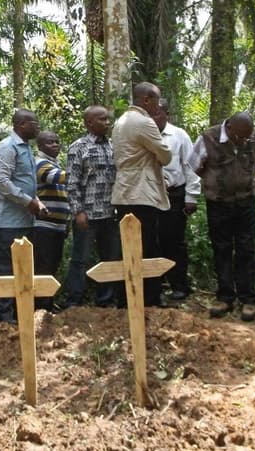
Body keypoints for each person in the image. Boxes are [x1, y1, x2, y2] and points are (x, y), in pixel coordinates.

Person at [190, 112, 255, 321]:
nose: (244, 141)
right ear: (230, 127)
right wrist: (215, 182)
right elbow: (195, 165)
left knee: (246, 248)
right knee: (222, 248)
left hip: (245, 202)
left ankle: (248, 299)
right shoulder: (208, 137)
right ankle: (225, 297)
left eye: (247, 137)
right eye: (240, 136)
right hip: (218, 203)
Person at [111, 82, 172, 307]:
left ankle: (125, 297)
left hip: (124, 191)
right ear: (146, 100)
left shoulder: (120, 121)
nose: (158, 105)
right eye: (156, 100)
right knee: (147, 246)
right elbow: (165, 156)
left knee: (126, 245)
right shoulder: (144, 122)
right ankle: (150, 298)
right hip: (142, 192)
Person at [0, 109, 45, 324]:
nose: (38, 127)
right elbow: (2, 183)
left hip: (23, 219)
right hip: (6, 220)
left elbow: (25, 182)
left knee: (23, 266)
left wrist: (36, 201)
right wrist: (27, 201)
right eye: (34, 123)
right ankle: (4, 317)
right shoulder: (7, 147)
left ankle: (21, 312)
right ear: (21, 125)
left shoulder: (26, 148)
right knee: (6, 267)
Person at [64, 105, 121, 308]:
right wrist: (78, 211)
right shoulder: (78, 147)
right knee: (80, 259)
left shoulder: (113, 146)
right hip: (87, 215)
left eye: (108, 119)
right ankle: (74, 302)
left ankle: (105, 301)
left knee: (110, 258)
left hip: (109, 213)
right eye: (102, 119)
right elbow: (71, 183)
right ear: (89, 123)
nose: (107, 123)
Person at [153, 99, 202, 301]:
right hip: (149, 196)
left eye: (157, 113)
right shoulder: (143, 134)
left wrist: (191, 196)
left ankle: (179, 285)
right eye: (150, 114)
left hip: (174, 195)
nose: (153, 117)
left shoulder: (178, 135)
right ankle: (156, 287)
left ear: (167, 114)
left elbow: (190, 166)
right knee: (152, 242)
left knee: (174, 242)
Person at [33, 131, 69, 311]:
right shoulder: (39, 163)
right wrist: (79, 171)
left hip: (58, 225)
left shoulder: (55, 163)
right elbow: (55, 177)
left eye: (57, 142)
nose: (55, 145)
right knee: (43, 265)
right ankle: (40, 305)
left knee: (53, 264)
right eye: (50, 142)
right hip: (44, 225)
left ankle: (47, 302)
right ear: (40, 146)